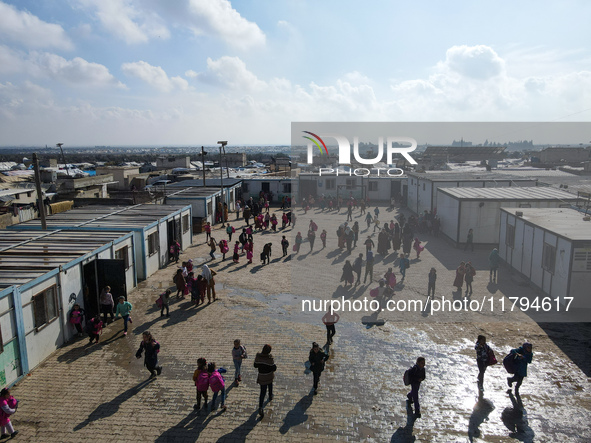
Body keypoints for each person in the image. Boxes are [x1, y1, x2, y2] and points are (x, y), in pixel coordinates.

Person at [254, 344, 277, 417]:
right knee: (270, 385)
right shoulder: (270, 359)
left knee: (262, 392)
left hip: (262, 377)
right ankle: (270, 395)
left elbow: (255, 365)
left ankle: (260, 406)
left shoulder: (258, 357)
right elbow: (274, 368)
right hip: (269, 376)